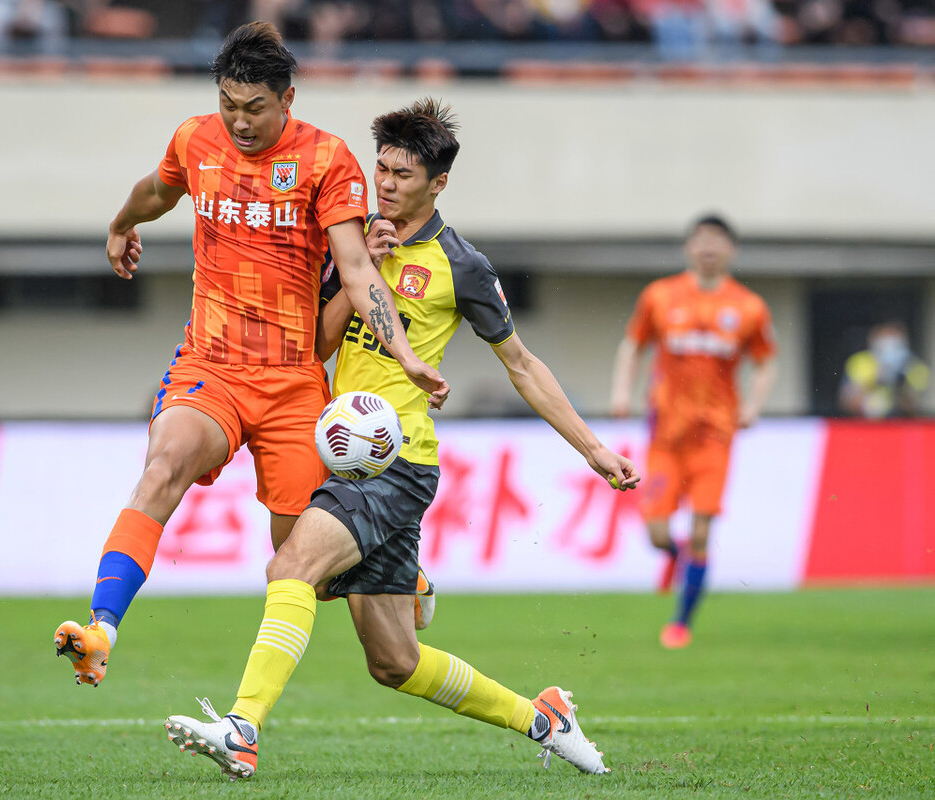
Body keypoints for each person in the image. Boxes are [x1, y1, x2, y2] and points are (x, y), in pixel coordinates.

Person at [162, 98, 639, 780]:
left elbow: (522, 365)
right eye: (380, 168)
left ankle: (242, 728)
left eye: (403, 175)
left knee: (289, 568)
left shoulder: (461, 266)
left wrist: (593, 449)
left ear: (438, 183)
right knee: (394, 662)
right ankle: (543, 717)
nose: (384, 184)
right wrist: (354, 278)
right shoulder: (347, 244)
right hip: (343, 456)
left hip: (397, 459)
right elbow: (314, 349)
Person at [54, 22, 448, 688]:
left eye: (254, 108)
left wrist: (404, 355)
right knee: (165, 463)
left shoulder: (327, 159)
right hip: (209, 365)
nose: (238, 121)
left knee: (301, 565)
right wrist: (122, 224)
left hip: (293, 383)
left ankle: (396, 567)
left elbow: (355, 268)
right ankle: (101, 630)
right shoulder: (194, 139)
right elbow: (158, 188)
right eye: (228, 105)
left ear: (287, 98)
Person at [610, 213, 777, 649]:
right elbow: (634, 344)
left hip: (715, 435)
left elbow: (766, 361)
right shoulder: (660, 296)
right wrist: (622, 392)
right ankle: (676, 558)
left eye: (717, 241)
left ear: (730, 251)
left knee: (702, 530)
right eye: (701, 240)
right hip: (666, 434)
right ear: (689, 248)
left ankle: (681, 622)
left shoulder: (748, 307)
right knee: (657, 533)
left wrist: (754, 407)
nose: (708, 248)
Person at [839, 321, 930, 419]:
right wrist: (875, 380)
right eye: (885, 344)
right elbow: (846, 403)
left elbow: (916, 408)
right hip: (866, 424)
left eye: (895, 345)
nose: (890, 349)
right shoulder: (860, 362)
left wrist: (898, 383)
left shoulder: (916, 368)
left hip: (900, 426)